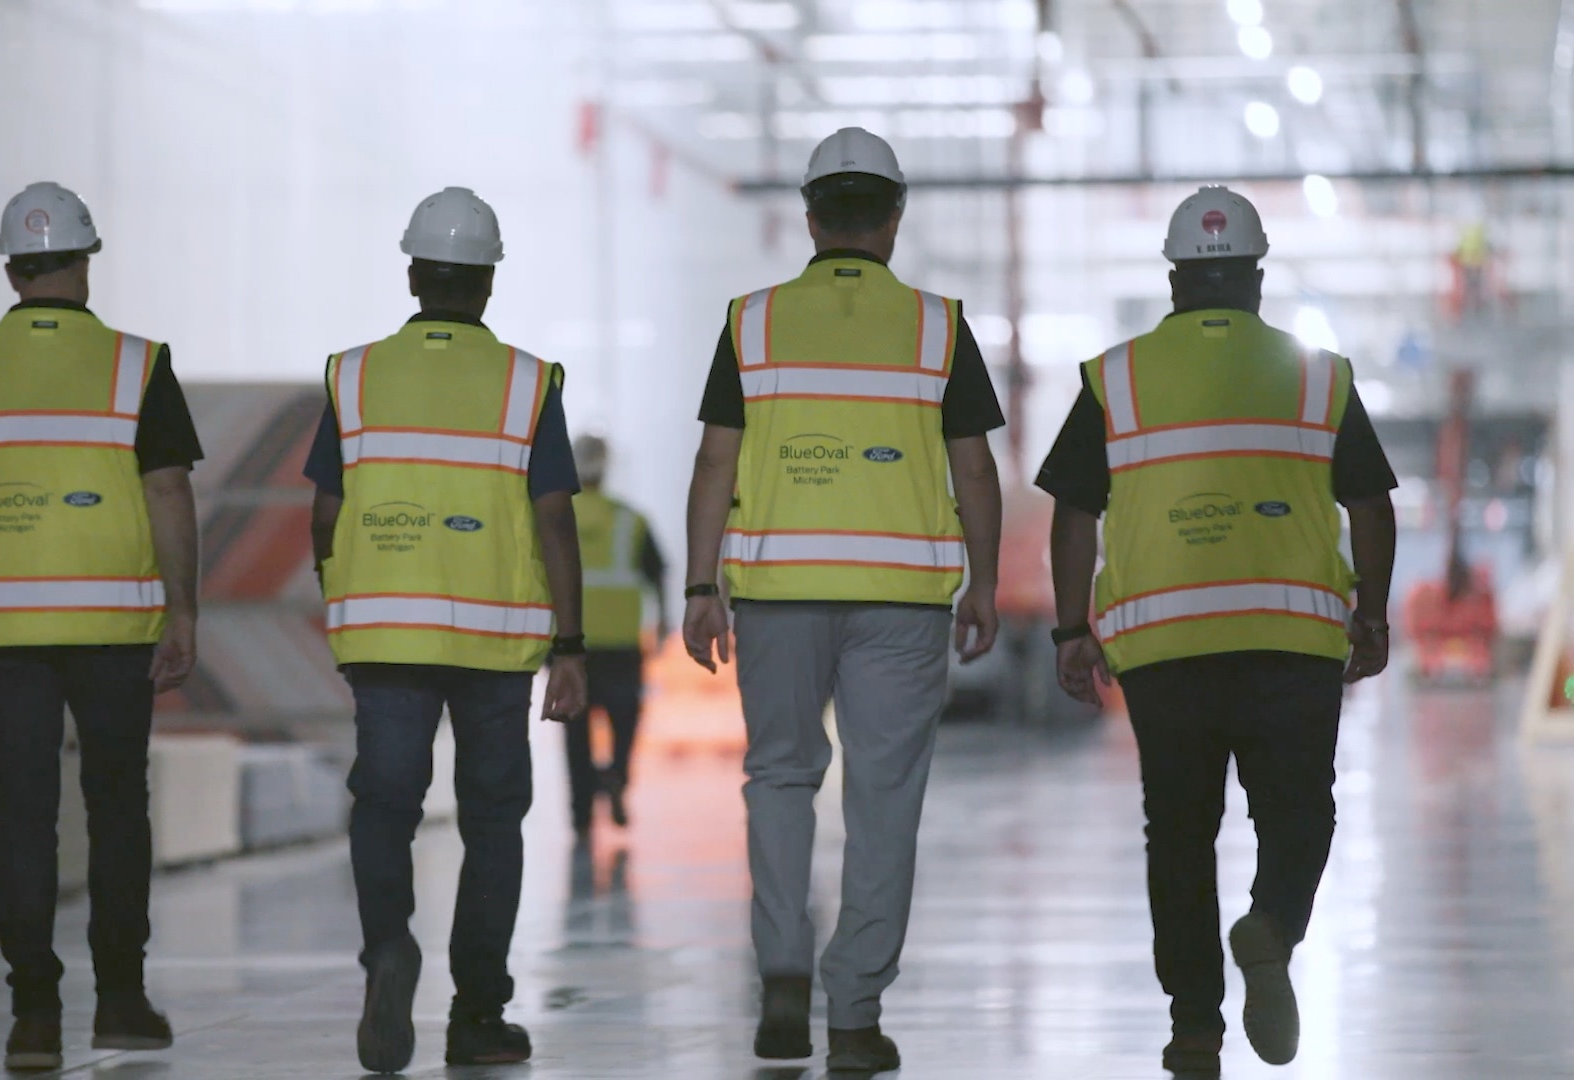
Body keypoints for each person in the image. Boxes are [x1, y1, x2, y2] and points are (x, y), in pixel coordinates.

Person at [1037, 186, 1398, 1078]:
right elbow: (1372, 505)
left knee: (1180, 834)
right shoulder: (1319, 375)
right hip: (1292, 643)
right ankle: (1270, 923)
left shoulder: (1114, 377)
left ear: (1174, 279)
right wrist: (1374, 613)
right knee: (1300, 814)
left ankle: (1195, 1027)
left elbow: (1073, 514)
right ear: (1257, 278)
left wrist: (1071, 629)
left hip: (1164, 652)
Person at [681, 128, 1006, 1074]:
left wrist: (704, 584)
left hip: (779, 593)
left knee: (780, 776)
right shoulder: (939, 325)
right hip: (903, 603)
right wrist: (982, 580)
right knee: (884, 800)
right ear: (894, 221)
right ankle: (854, 1013)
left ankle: (783, 967)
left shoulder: (754, 321)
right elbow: (974, 468)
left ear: (810, 218)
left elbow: (715, 460)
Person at [0, 181, 203, 1074]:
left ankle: (32, 1015)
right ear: (87, 262)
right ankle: (122, 1003)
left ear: (9, 267)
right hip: (114, 620)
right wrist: (182, 606)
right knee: (116, 809)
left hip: (0, 623)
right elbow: (169, 489)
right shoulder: (137, 364)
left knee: (21, 814)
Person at [303, 186, 588, 1075]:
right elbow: (553, 521)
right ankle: (477, 1015)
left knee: (385, 803)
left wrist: (345, 586)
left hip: (385, 633)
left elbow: (323, 513)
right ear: (489, 283)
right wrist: (570, 646)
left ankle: (388, 949)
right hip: (494, 641)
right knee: (492, 822)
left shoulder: (353, 375)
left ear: (414, 272)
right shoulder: (527, 383)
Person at [567, 434, 669, 835]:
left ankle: (581, 815)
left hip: (572, 646)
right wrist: (661, 622)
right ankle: (615, 777)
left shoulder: (557, 516)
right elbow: (657, 573)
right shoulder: (631, 520)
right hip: (623, 644)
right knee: (625, 724)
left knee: (575, 735)